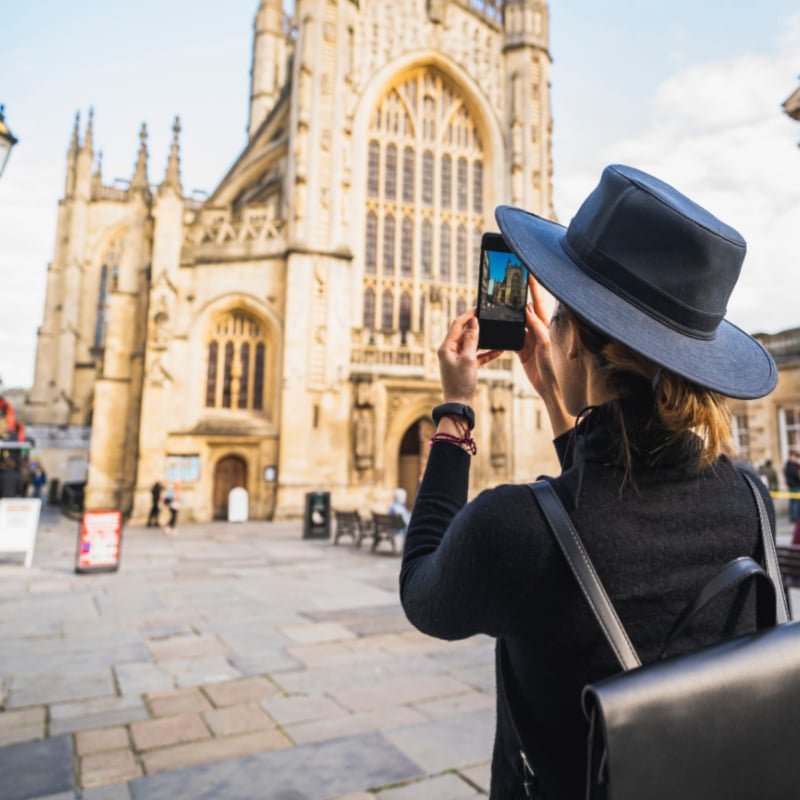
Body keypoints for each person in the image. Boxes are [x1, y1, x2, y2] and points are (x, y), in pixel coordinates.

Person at [399, 165, 778, 799]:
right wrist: (556, 397)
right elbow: (614, 503)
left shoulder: (512, 530)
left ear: (572, 343)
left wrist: (454, 410)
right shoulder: (749, 501)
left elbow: (422, 591)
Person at [784, 452, 800, 522]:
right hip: (795, 485)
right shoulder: (792, 466)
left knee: (793, 502)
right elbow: (796, 476)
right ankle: (795, 517)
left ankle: (793, 517)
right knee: (795, 502)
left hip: (791, 485)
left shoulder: (788, 465)